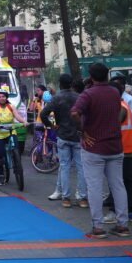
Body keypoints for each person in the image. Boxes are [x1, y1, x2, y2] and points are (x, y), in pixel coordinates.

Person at [72, 62, 129, 239]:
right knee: (118, 185)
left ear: (92, 76)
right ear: (107, 75)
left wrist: (82, 131)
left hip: (93, 147)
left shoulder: (88, 94)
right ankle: (123, 225)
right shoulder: (114, 92)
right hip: (115, 146)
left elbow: (74, 113)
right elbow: (121, 111)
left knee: (94, 186)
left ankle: (98, 227)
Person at [40, 74, 87, 208]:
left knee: (64, 167)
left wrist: (51, 126)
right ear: (72, 83)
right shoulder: (79, 97)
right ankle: (82, 198)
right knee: (81, 167)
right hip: (78, 136)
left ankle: (66, 198)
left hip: (63, 135)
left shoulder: (57, 98)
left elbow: (43, 114)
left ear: (60, 84)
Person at [103, 98, 132, 224]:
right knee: (128, 182)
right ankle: (131, 212)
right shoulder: (125, 105)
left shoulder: (120, 107)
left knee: (117, 182)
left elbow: (113, 126)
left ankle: (115, 212)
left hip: (120, 150)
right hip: (128, 149)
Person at [0, 90, 26, 182]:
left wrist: (24, 122)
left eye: (3, 96)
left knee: (16, 149)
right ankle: (1, 174)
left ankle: (16, 163)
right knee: (0, 154)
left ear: (6, 97)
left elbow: (17, 116)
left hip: (10, 131)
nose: (2, 98)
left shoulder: (11, 106)